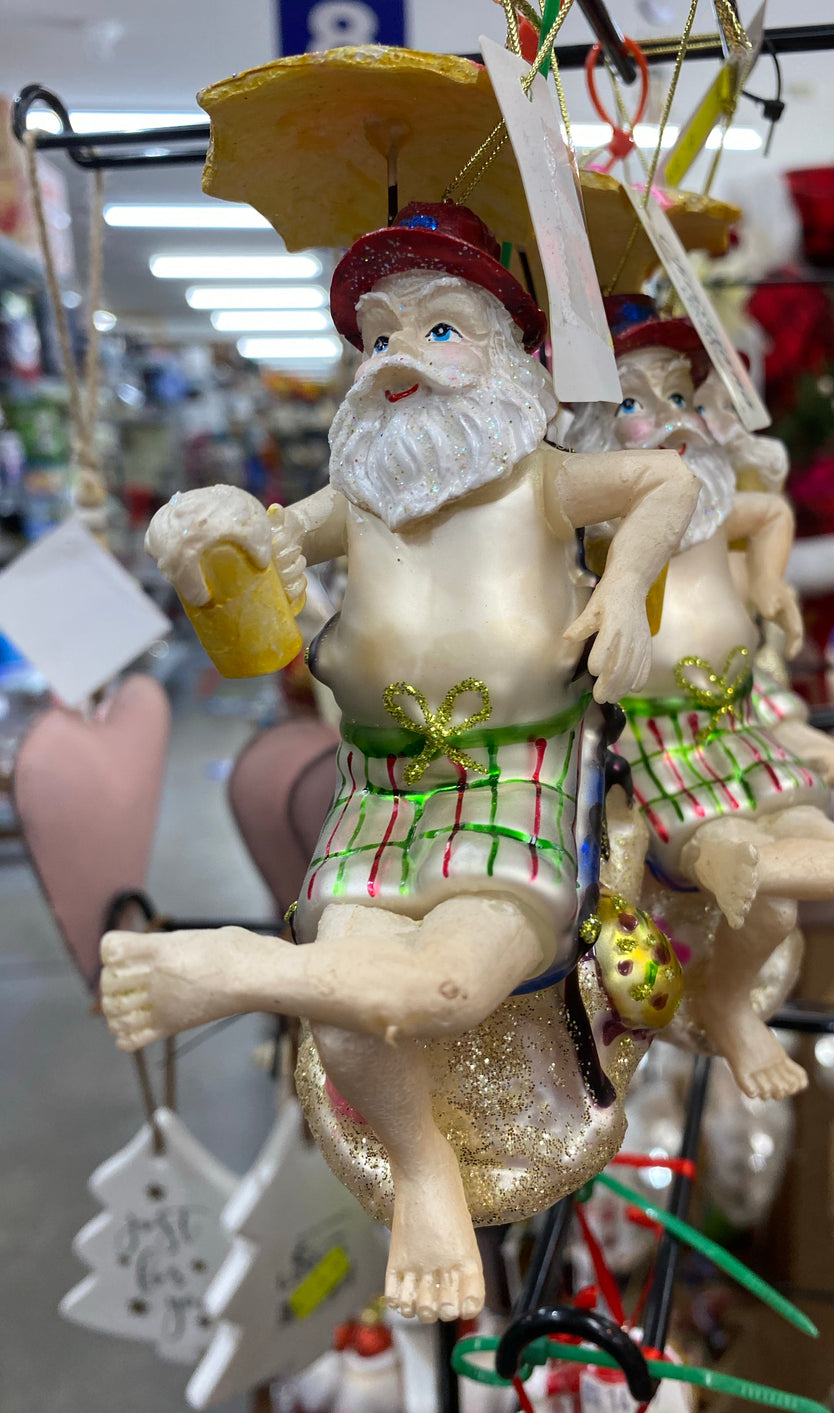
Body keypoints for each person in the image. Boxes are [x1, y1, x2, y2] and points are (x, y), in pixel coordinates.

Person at [99, 204, 697, 1325]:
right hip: (381, 787)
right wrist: (209, 538)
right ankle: (423, 1168)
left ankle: (234, 969)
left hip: (513, 770)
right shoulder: (354, 497)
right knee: (343, 1017)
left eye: (435, 330)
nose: (393, 362)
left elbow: (663, 487)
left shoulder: (547, 480)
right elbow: (260, 606)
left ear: (511, 355)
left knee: (448, 987)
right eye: (375, 336)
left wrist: (620, 589)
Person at [565, 295, 834, 1101]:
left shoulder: (710, 512)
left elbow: (773, 510)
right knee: (770, 910)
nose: (672, 418)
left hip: (739, 730)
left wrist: (771, 581)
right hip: (661, 745)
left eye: (680, 396)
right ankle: (732, 1002)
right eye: (634, 402)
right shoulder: (599, 530)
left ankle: (744, 862)